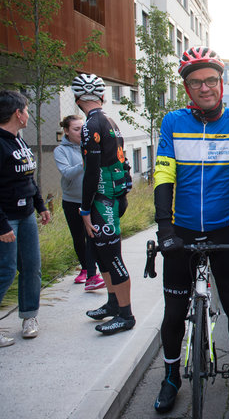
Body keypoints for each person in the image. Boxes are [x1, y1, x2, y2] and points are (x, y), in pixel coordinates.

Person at [153, 47, 229, 412]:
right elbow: (164, 173)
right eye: (196, 82)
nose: (204, 88)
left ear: (221, 82)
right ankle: (170, 378)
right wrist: (164, 226)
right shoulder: (172, 122)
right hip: (180, 231)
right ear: (186, 88)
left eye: (211, 80)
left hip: (225, 229)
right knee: (172, 312)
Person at [72, 74, 135, 336]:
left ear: (77, 100)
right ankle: (113, 303)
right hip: (114, 196)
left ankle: (126, 314)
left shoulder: (91, 125)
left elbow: (92, 172)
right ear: (103, 97)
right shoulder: (109, 120)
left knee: (112, 256)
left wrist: (85, 210)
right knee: (101, 255)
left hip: (103, 200)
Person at [0, 91, 50, 348]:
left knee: (31, 268)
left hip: (25, 216)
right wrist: (1, 224)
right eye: (26, 109)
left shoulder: (19, 142)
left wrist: (40, 206)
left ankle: (29, 317)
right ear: (18, 113)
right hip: (5, 220)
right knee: (3, 272)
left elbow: (28, 178)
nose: (28, 114)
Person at [54, 115, 103, 290]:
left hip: (89, 199)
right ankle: (85, 268)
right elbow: (67, 173)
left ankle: (92, 274)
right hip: (71, 200)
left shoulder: (90, 145)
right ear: (66, 131)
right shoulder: (60, 151)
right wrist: (85, 161)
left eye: (82, 128)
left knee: (91, 235)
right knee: (78, 237)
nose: (81, 132)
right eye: (76, 129)